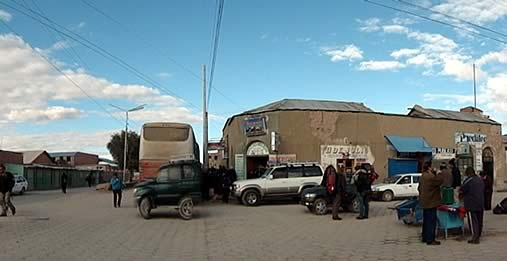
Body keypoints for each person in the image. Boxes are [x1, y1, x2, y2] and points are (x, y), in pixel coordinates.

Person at [419, 161, 443, 246]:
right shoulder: (430, 177)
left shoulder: (423, 176)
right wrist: (439, 173)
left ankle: (425, 237)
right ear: (429, 168)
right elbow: (439, 181)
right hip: (431, 202)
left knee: (426, 220)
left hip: (424, 201)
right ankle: (430, 239)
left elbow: (419, 188)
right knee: (431, 221)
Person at [461, 167, 485, 244]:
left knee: (473, 221)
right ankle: (479, 234)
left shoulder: (468, 181)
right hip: (480, 203)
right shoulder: (480, 180)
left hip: (472, 204)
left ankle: (475, 237)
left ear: (468, 173)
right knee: (479, 220)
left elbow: (463, 189)